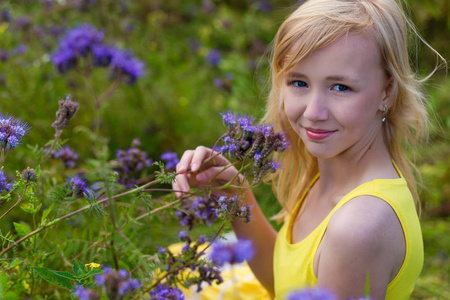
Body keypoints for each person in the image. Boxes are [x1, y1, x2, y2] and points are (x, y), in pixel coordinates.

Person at [173, 0, 445, 299]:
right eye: (299, 82)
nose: (314, 112)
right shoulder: (334, 169)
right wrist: (235, 194)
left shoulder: (357, 227)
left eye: (340, 87)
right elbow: (289, 284)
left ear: (387, 91)